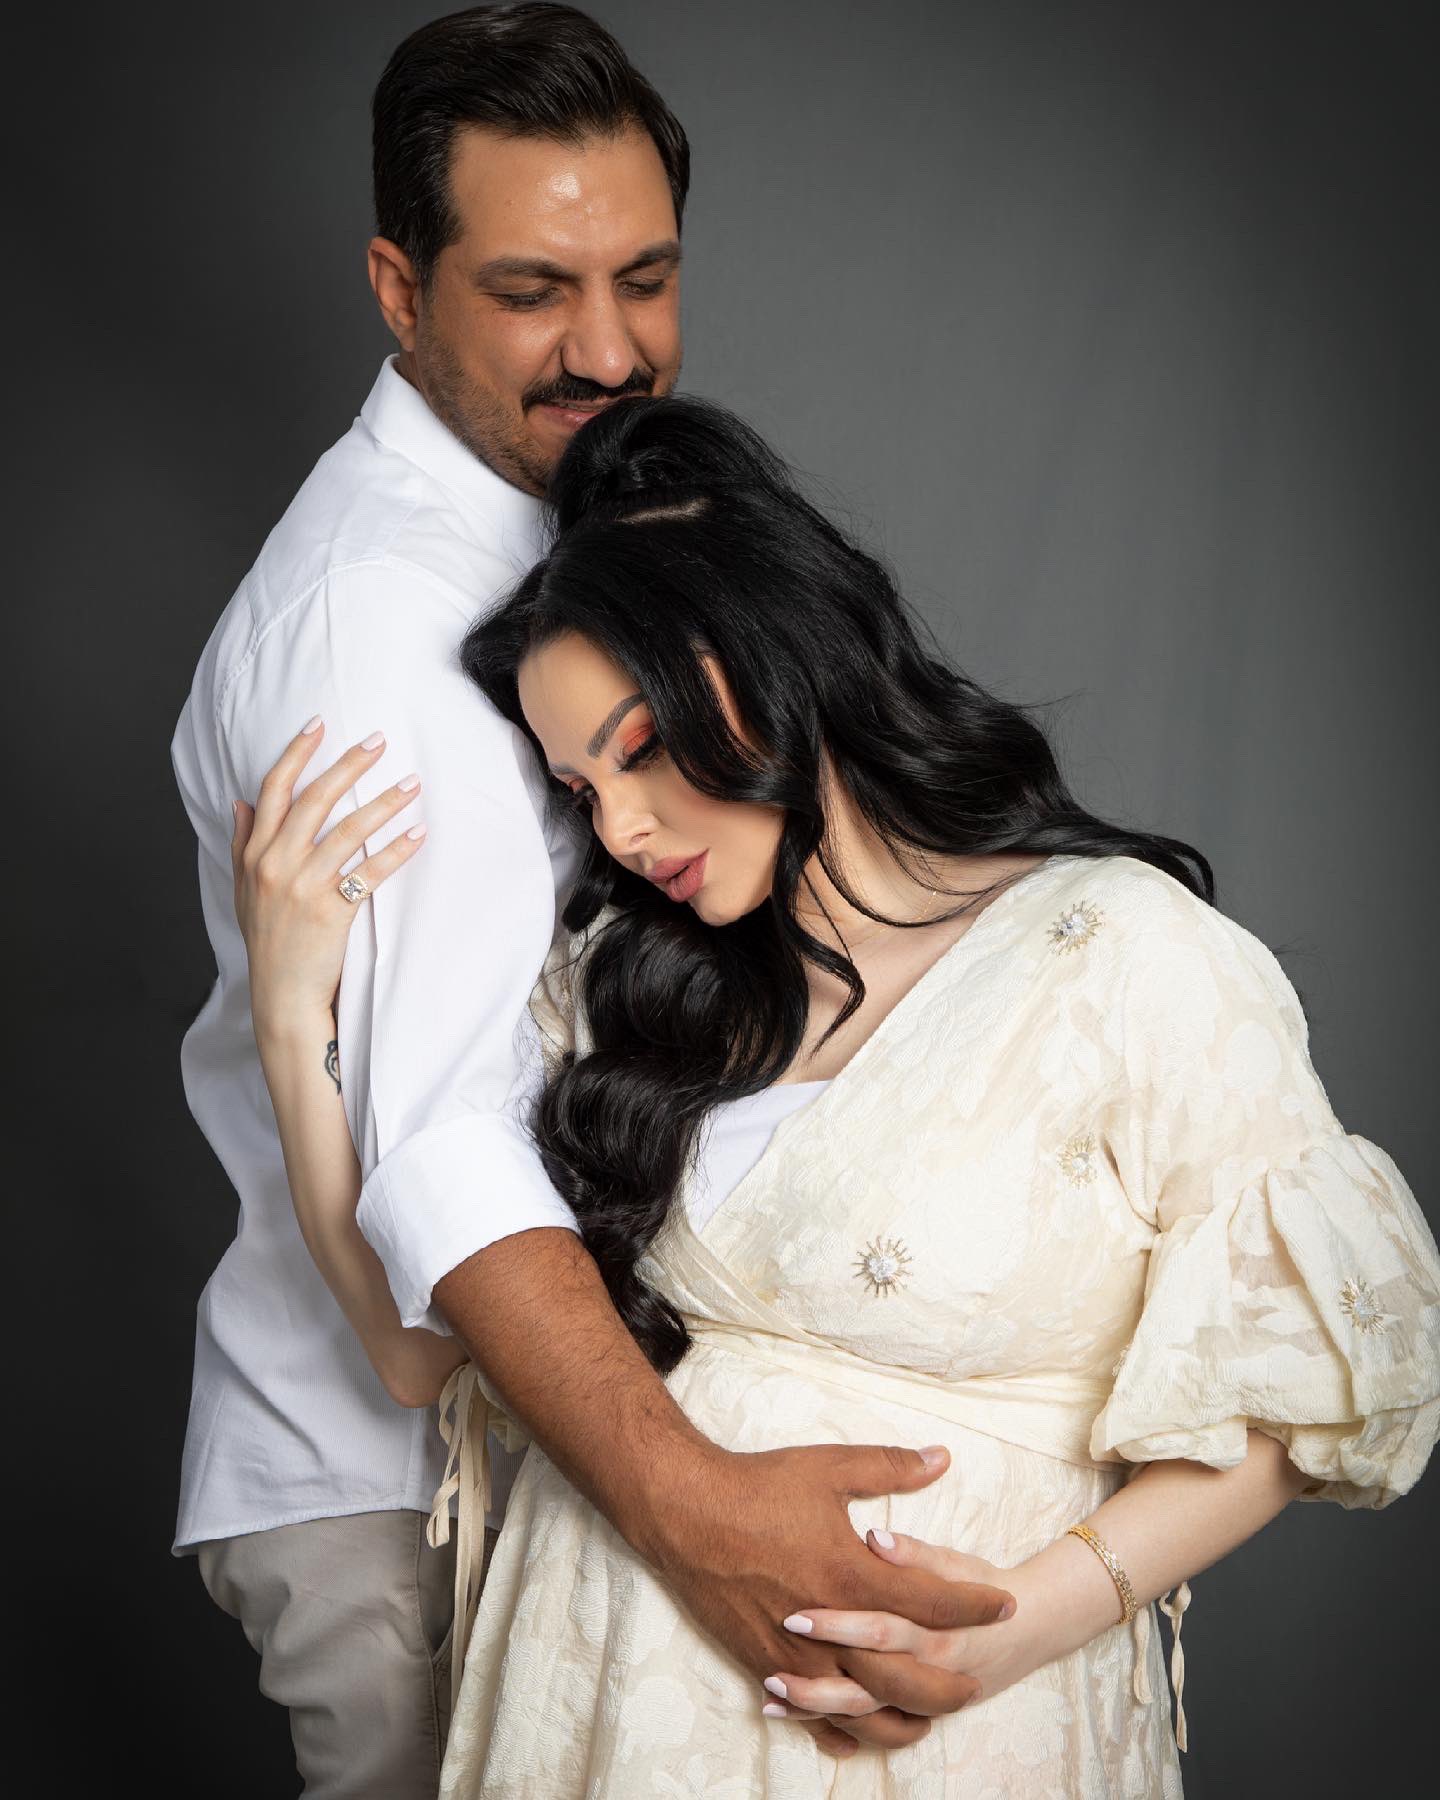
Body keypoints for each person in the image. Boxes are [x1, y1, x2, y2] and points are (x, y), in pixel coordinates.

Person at [233, 394, 1440, 1796]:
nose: (620, 827)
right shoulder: (624, 993)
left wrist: (1018, 1626)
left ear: (771, 656)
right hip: (589, 1720)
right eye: (579, 786)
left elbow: (1308, 1391)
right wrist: (290, 1020)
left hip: (948, 1737)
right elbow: (414, 1355)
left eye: (638, 747)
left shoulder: (1121, 952)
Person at [174, 8, 1002, 1792]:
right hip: (424, 1492)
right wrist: (697, 1504)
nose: (612, 349)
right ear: (399, 290)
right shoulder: (382, 636)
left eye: (647, 276)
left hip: (541, 1448)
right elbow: (439, 1146)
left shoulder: (567, 539)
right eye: (532, 290)